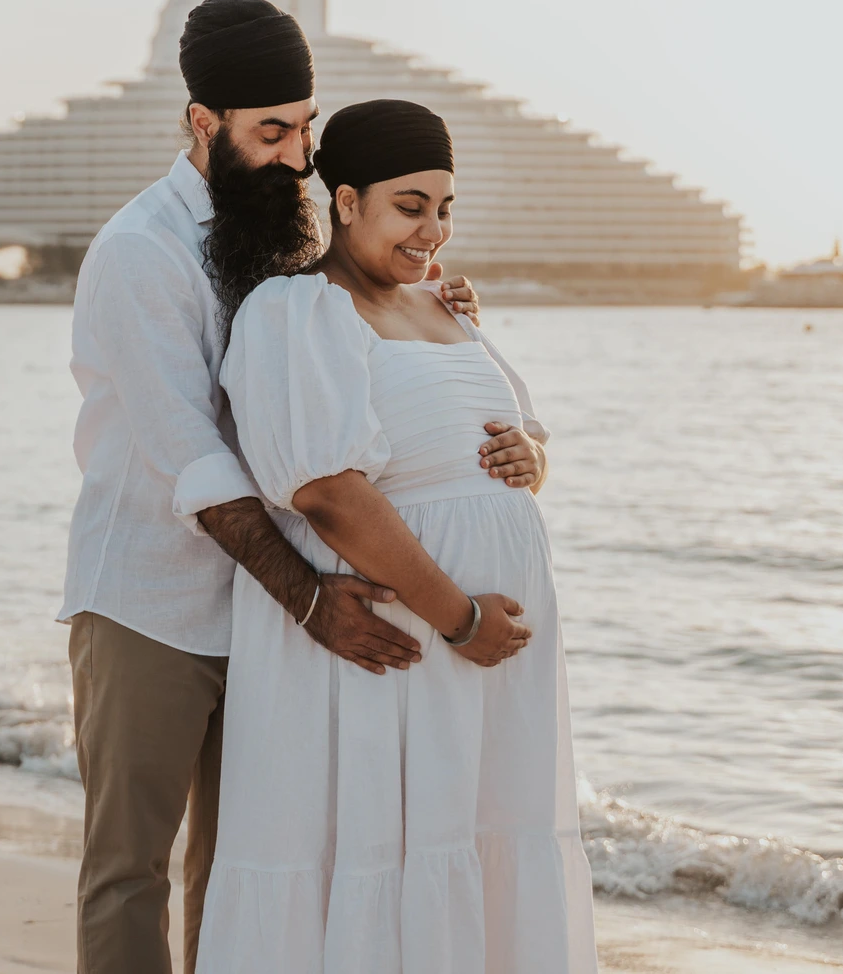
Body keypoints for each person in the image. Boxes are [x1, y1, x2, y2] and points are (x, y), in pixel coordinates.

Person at [60, 0, 516, 974]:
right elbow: (195, 459)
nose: (299, 154)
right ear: (201, 124)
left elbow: (342, 344)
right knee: (129, 869)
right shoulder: (140, 253)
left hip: (268, 617)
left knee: (246, 868)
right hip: (153, 599)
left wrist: (434, 303)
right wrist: (310, 598)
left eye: (306, 126)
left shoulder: (287, 226)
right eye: (273, 131)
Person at [197, 99, 599, 973]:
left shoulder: (448, 309)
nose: (433, 228)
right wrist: (458, 617)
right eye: (410, 205)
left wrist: (531, 452)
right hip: (412, 645)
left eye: (446, 206)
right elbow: (327, 493)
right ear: (346, 202)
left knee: (483, 843)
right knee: (381, 852)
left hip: (491, 665)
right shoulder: (294, 312)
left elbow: (516, 442)